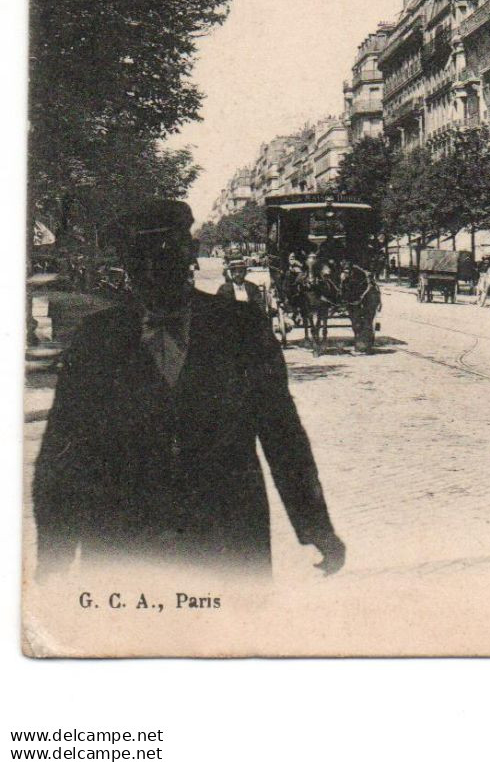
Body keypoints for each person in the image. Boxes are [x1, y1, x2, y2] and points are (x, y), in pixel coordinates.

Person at [32, 199, 345, 579]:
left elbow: (283, 434)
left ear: (189, 254)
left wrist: (315, 525)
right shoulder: (97, 338)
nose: (152, 269)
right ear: (125, 265)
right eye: (138, 257)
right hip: (122, 543)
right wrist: (54, 551)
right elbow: (64, 449)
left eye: (164, 254)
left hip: (228, 540)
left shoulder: (242, 329)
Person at [339, 258, 381, 354]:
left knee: (367, 322)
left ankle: (364, 344)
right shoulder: (348, 270)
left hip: (362, 276)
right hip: (351, 271)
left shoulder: (362, 270)